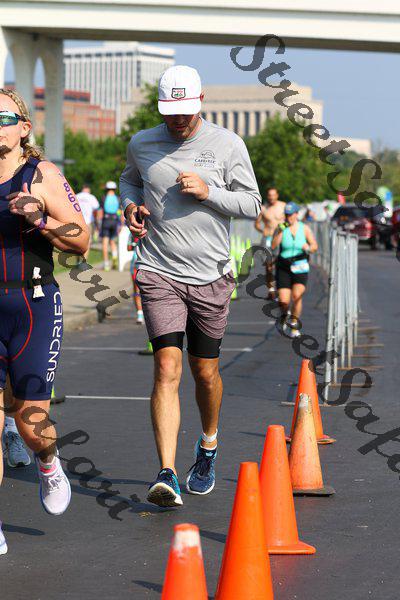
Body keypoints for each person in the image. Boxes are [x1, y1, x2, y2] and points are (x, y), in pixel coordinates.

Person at [120, 65, 261, 507]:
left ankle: (208, 444)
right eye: (170, 111)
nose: (177, 119)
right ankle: (166, 473)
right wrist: (130, 206)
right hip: (158, 269)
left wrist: (208, 192)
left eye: (184, 110)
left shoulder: (228, 144)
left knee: (205, 372)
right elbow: (129, 179)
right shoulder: (142, 143)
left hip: (211, 276)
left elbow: (252, 203)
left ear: (201, 101)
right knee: (167, 367)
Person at [0, 88, 89, 553]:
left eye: (3, 118)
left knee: (31, 423)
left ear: (24, 128)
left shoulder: (42, 175)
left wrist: (40, 219)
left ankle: (49, 463)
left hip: (32, 305)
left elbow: (81, 240)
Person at [271, 201, 318, 338]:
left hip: (300, 266)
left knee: (297, 297)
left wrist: (308, 248)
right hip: (284, 266)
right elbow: (273, 246)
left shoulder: (305, 228)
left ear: (297, 214)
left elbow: (314, 246)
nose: (289, 217)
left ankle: (294, 324)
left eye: (291, 215)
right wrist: (279, 232)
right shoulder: (281, 228)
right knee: (284, 301)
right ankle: (285, 315)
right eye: (287, 215)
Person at [254, 187, 286, 299]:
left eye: (273, 195)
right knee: (268, 266)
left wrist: (284, 227)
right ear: (267, 196)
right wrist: (263, 230)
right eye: (269, 195)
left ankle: (281, 288)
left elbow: (290, 220)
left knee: (280, 264)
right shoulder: (263, 208)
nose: (271, 197)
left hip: (280, 238)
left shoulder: (283, 206)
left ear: (277, 195)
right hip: (267, 238)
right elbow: (257, 224)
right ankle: (271, 289)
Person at [98, 181, 121, 271]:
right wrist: (121, 224)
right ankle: (115, 257)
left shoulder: (103, 198)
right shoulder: (118, 198)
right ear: (114, 189)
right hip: (115, 221)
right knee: (112, 241)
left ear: (107, 189)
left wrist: (98, 224)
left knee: (105, 242)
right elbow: (120, 212)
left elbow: (100, 212)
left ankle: (106, 264)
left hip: (106, 220)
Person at [76, 184, 99, 259]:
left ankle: (78, 259)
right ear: (88, 189)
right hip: (88, 222)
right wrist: (96, 222)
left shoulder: (76, 196)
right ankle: (83, 261)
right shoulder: (91, 197)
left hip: (77, 222)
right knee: (87, 242)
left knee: (78, 241)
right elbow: (96, 210)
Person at [127, 233, 144, 324]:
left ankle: (140, 314)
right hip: (146, 265)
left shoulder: (132, 233)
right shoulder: (150, 230)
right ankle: (141, 313)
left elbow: (128, 248)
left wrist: (134, 245)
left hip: (136, 264)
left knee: (136, 290)